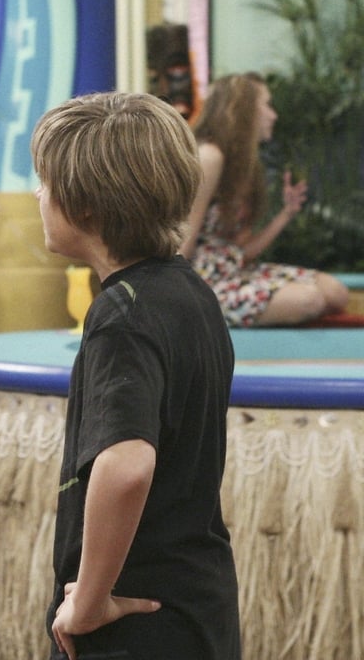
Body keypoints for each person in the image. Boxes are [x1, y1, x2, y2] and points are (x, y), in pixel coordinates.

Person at [33, 92, 241, 660]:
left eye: (46, 183)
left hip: (136, 622)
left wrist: (89, 602)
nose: (37, 196)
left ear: (86, 208)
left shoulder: (121, 316)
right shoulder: (190, 292)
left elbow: (126, 466)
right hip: (198, 608)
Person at [179, 72, 348, 327]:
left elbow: (243, 252)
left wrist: (286, 213)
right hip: (202, 282)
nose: (273, 115)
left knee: (335, 292)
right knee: (308, 300)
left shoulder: (244, 164)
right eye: (267, 105)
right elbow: (183, 239)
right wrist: (165, 300)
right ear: (244, 110)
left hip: (234, 271)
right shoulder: (210, 156)